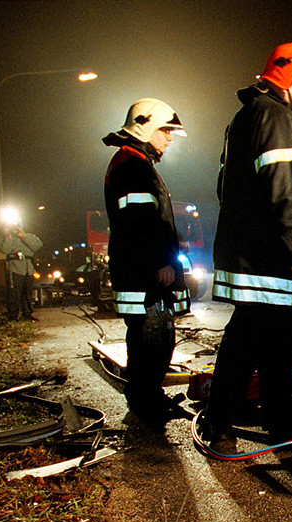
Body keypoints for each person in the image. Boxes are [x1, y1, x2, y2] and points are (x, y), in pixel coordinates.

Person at [202, 42, 292, 445]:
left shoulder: (247, 116)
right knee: (272, 348)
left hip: (250, 254)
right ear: (286, 73)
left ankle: (234, 425)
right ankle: (277, 430)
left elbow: (226, 188)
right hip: (269, 260)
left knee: (252, 343)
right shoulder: (278, 117)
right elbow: (289, 190)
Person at [103, 98, 190, 425]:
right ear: (147, 128)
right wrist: (160, 261)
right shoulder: (132, 166)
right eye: (165, 131)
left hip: (140, 273)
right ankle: (145, 404)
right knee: (150, 340)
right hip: (145, 277)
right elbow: (138, 222)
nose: (169, 138)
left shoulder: (133, 162)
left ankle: (149, 397)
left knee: (155, 339)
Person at [0, 224, 42, 320]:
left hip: (28, 268)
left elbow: (38, 245)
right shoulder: (6, 237)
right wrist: (8, 236)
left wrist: (24, 236)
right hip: (15, 268)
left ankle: (27, 313)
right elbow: (4, 249)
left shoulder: (28, 236)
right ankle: (13, 315)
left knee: (27, 293)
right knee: (14, 293)